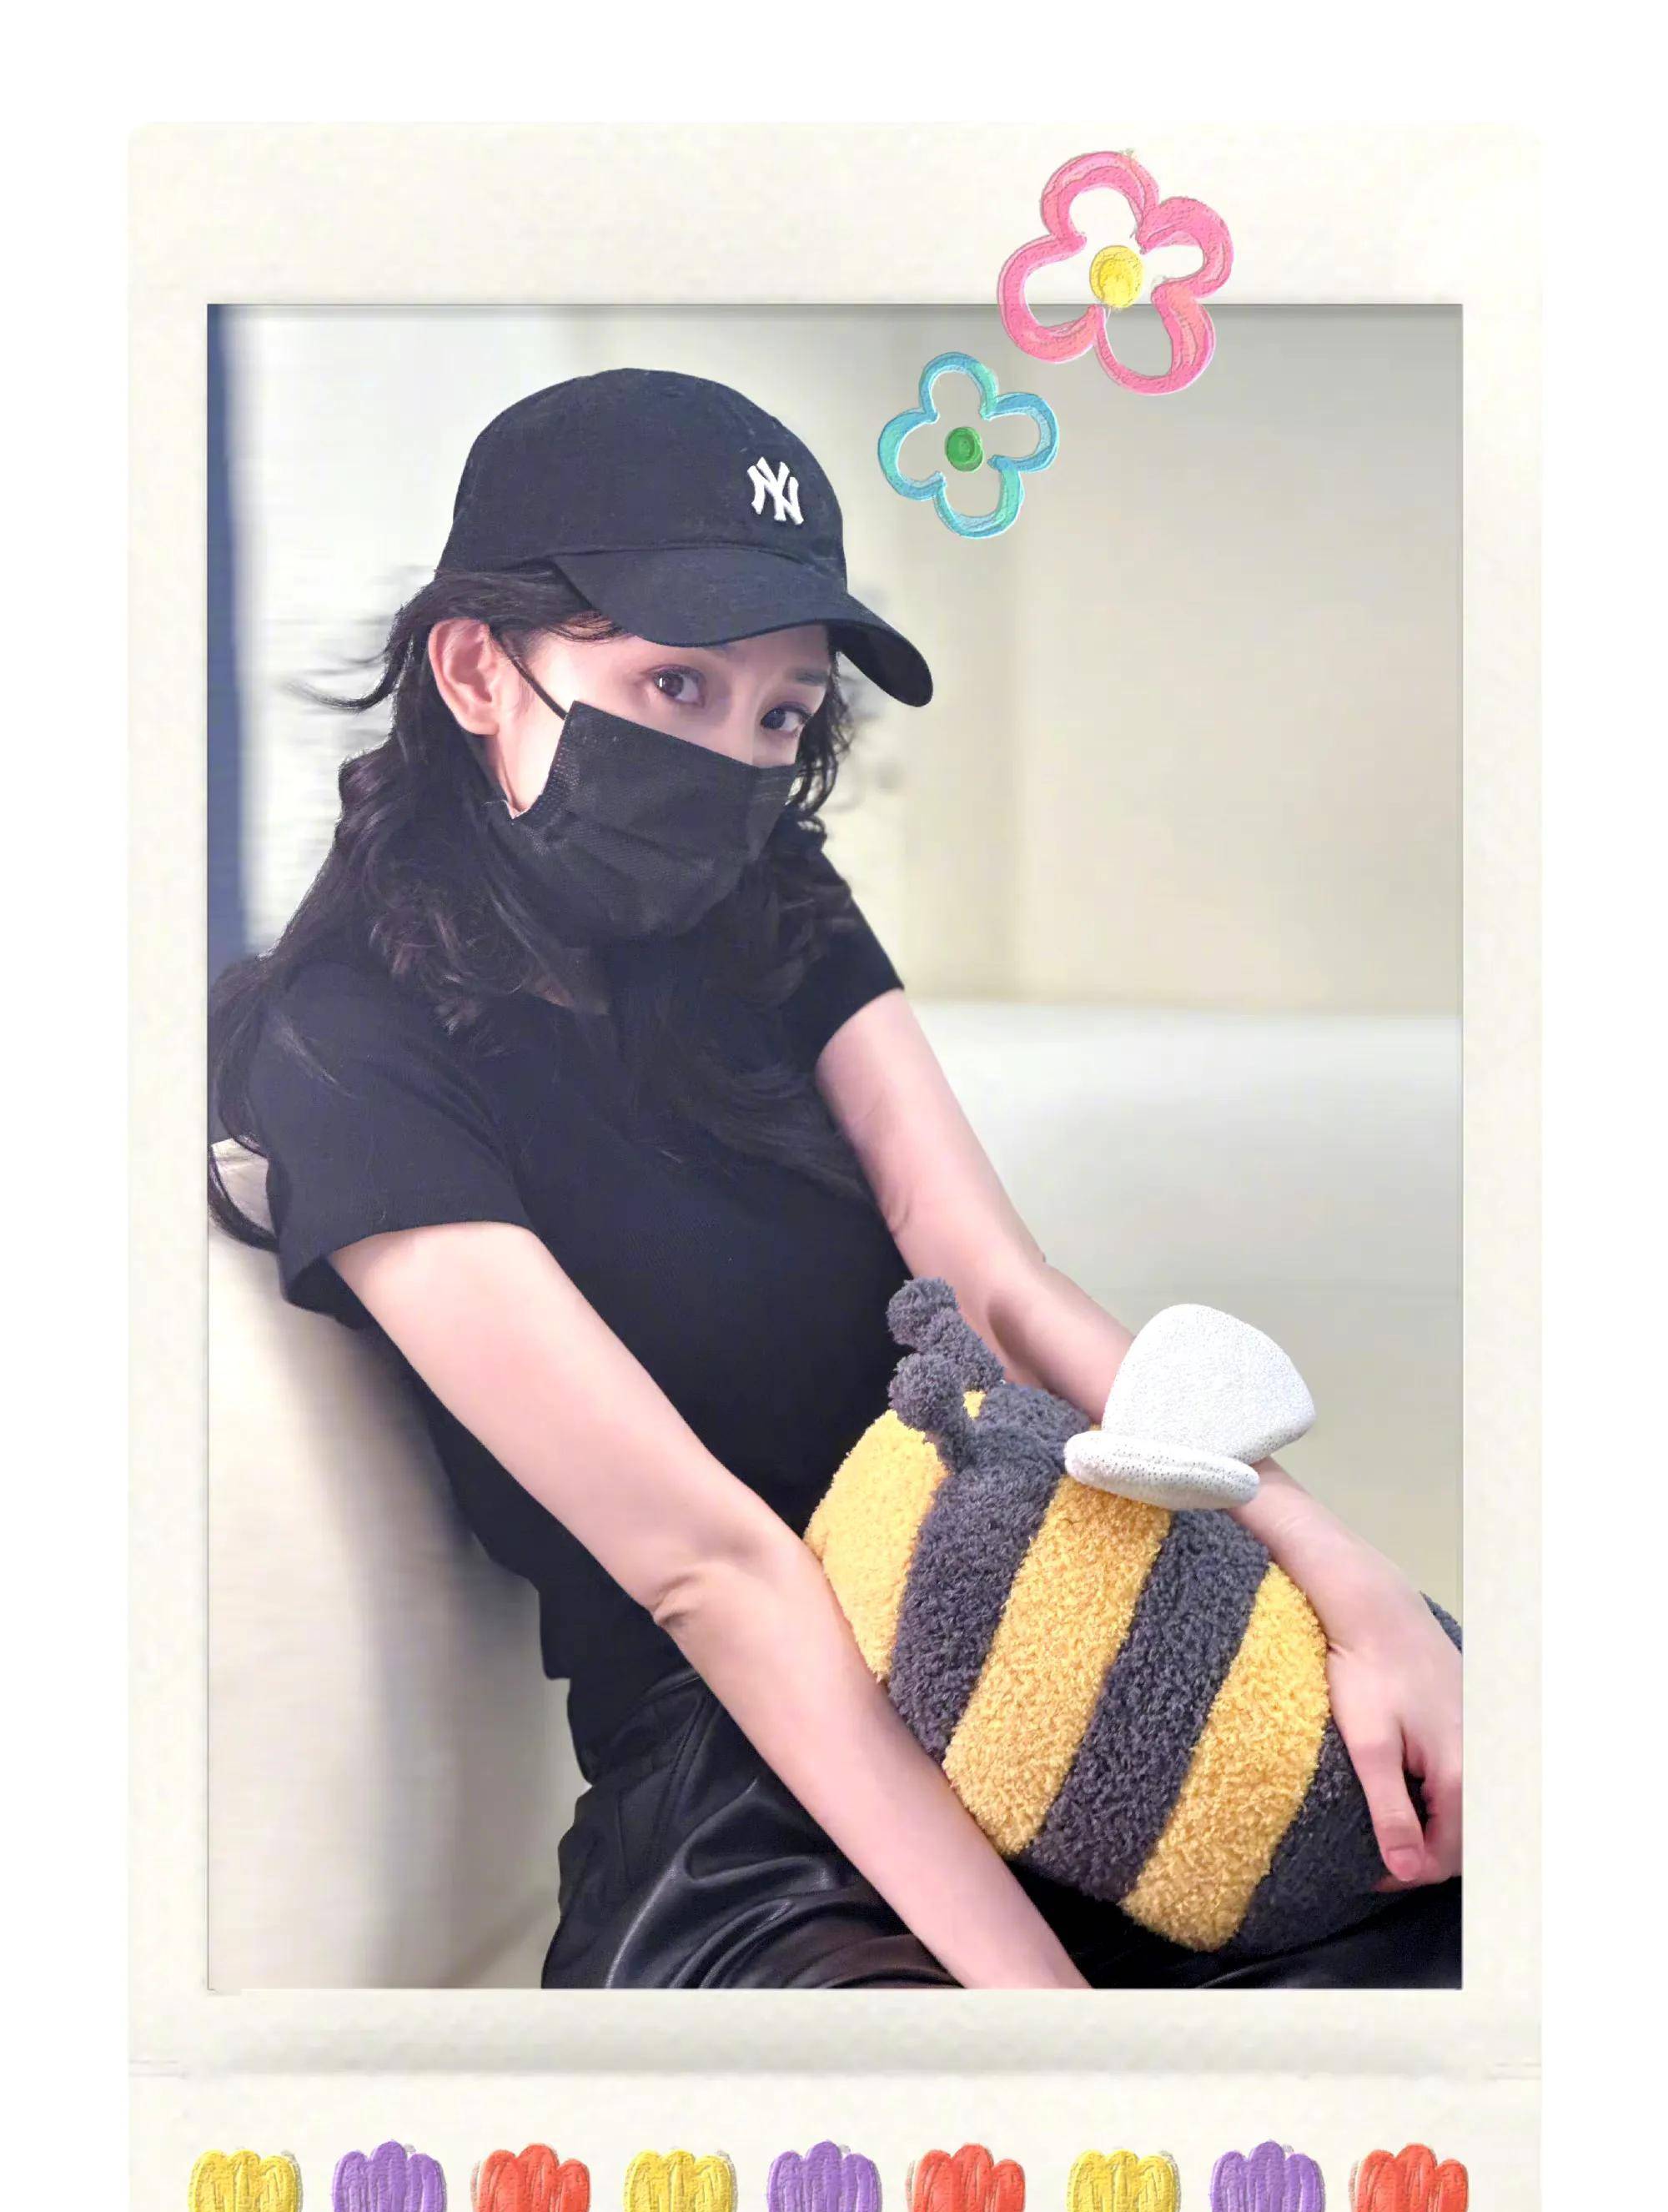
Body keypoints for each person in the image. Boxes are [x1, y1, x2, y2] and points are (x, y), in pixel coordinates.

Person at [208, 366, 1462, 1990]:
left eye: (781, 712)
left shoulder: (770, 900)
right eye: (674, 684)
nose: (734, 758)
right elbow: (708, 1568)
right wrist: (1055, 2024)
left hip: (1055, 1648)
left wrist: (1353, 1584)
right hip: (756, 1793)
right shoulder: (341, 1050)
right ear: (473, 669)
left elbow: (992, 1283)